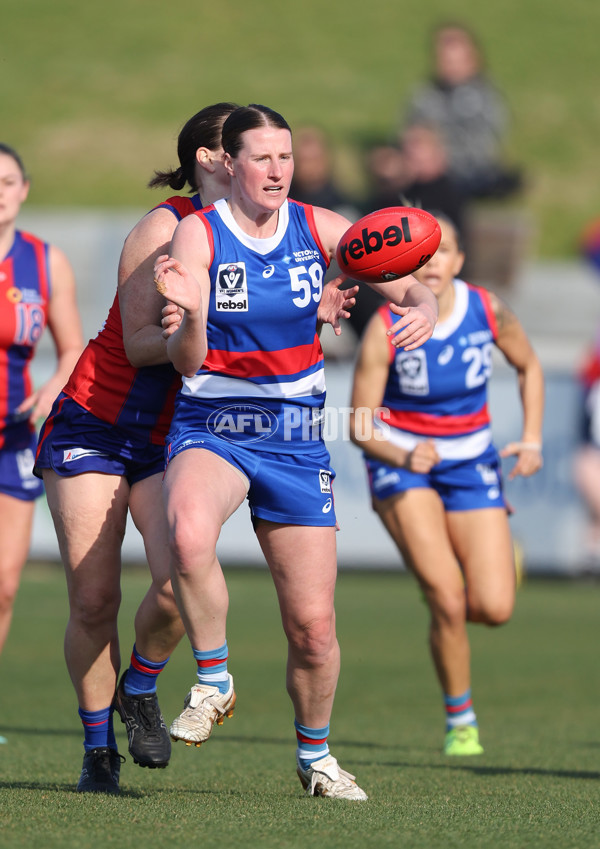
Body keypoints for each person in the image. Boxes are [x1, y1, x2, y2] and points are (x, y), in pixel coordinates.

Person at [33, 103, 358, 796]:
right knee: (94, 597)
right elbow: (138, 340)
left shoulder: (273, 230)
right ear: (214, 161)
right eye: (242, 151)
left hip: (175, 431)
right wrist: (203, 318)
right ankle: (99, 751)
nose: (269, 166)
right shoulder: (170, 227)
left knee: (175, 584)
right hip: (102, 418)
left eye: (279, 156)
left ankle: (141, 685)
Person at [150, 103, 438, 800]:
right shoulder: (197, 235)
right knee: (187, 532)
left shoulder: (321, 227)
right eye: (262, 157)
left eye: (285, 156)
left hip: (296, 433)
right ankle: (214, 680)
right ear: (231, 164)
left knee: (312, 627)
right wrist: (187, 315)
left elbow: (406, 284)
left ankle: (317, 758)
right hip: (213, 420)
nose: (278, 169)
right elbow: (185, 362)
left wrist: (422, 302)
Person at [348, 211, 544, 755]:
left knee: (494, 609)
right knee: (447, 598)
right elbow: (359, 422)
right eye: (421, 253)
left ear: (459, 260)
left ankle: (498, 558)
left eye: (443, 250)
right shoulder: (386, 326)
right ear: (402, 263)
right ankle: (461, 719)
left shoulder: (487, 310)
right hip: (401, 462)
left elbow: (529, 366)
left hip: (471, 460)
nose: (432, 261)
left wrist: (531, 439)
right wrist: (403, 451)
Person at [0, 144, 83, 745]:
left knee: (4, 583)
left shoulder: (44, 262)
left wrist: (53, 387)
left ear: (24, 188)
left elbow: (74, 347)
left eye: (7, 181)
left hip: (15, 438)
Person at [403, 23, 522, 201]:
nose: (449, 66)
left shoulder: (484, 97)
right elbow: (407, 131)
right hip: (423, 175)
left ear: (472, 59)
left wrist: (439, 155)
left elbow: (485, 147)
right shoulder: (425, 95)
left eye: (455, 60)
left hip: (468, 176)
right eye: (444, 60)